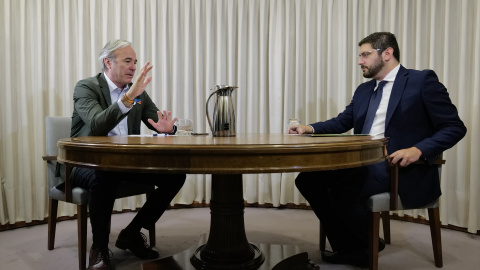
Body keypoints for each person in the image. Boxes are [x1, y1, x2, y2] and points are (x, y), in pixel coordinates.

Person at [289, 32, 466, 267]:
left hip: (400, 167)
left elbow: (454, 127)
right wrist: (308, 128)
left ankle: (359, 248)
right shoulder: (364, 90)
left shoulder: (421, 81)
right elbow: (342, 121)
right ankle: (356, 245)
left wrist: (418, 150)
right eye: (359, 56)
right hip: (362, 162)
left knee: (342, 190)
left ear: (387, 53)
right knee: (308, 180)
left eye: (365, 54)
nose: (360, 61)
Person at [70, 39, 186, 270]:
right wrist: (129, 97)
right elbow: (96, 125)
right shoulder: (86, 87)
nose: (134, 67)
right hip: (86, 163)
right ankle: (100, 247)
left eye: (134, 61)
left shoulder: (137, 91)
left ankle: (132, 233)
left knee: (175, 175)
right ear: (107, 63)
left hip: (124, 162)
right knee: (105, 175)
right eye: (127, 61)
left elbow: (157, 121)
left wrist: (167, 129)